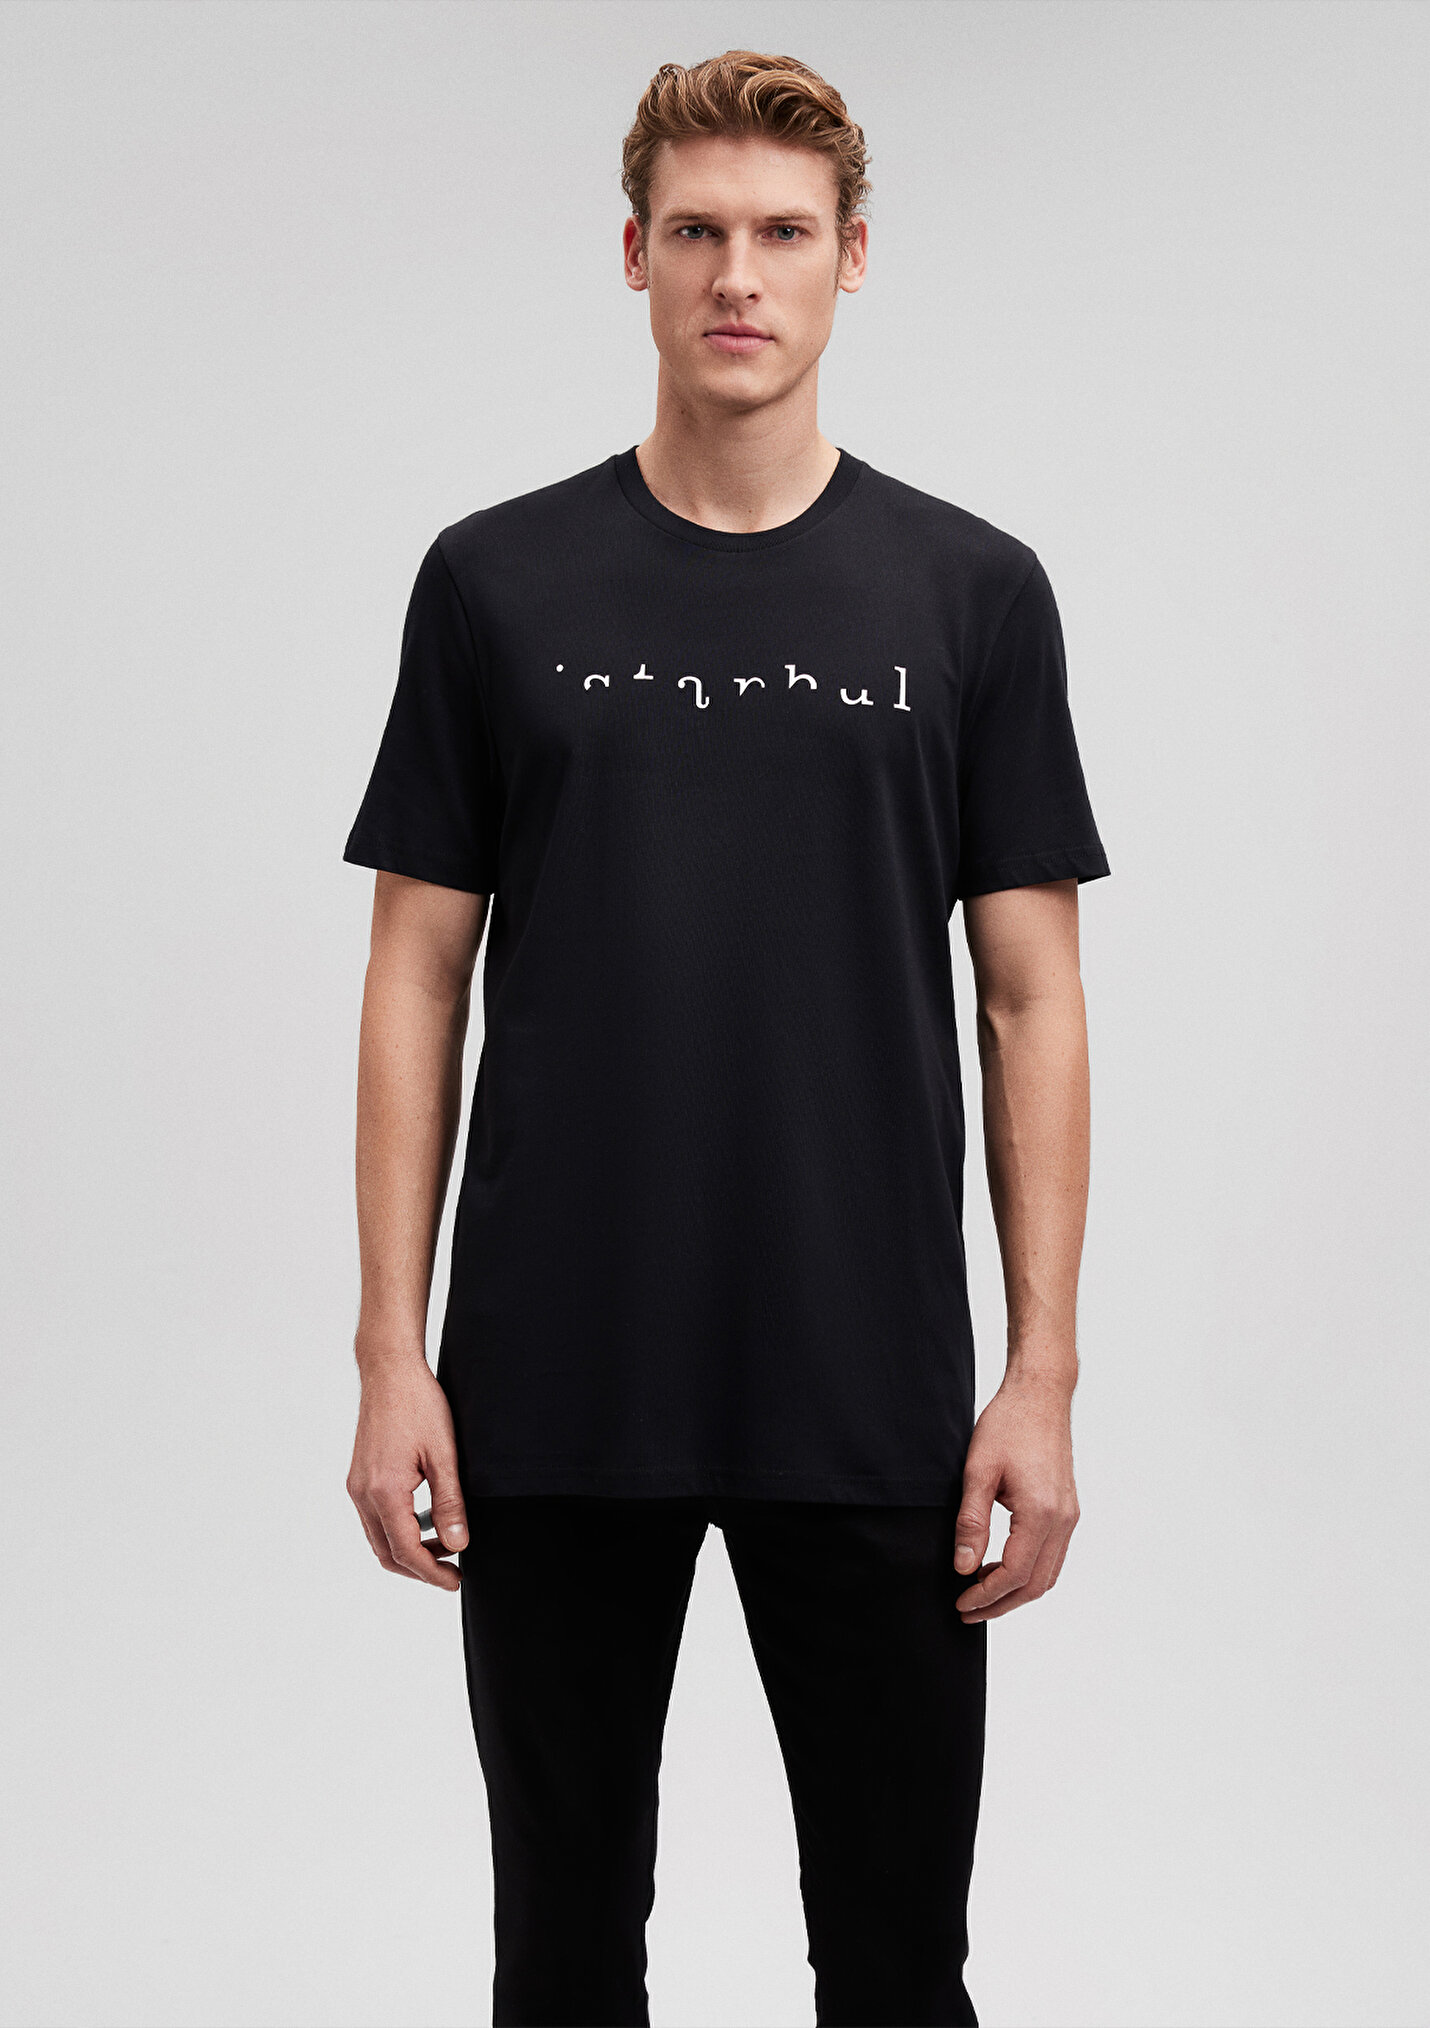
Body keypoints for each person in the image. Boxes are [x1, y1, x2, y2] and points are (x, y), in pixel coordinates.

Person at [342, 48, 1109, 2028]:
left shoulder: (971, 593)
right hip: (551, 1384)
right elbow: (415, 973)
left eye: (781, 233)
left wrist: (1038, 1373)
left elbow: (1029, 995)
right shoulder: (492, 582)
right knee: (561, 1958)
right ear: (633, 256)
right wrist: (390, 1353)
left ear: (854, 258)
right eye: (696, 232)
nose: (736, 276)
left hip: (868, 1385)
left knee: (895, 1964)